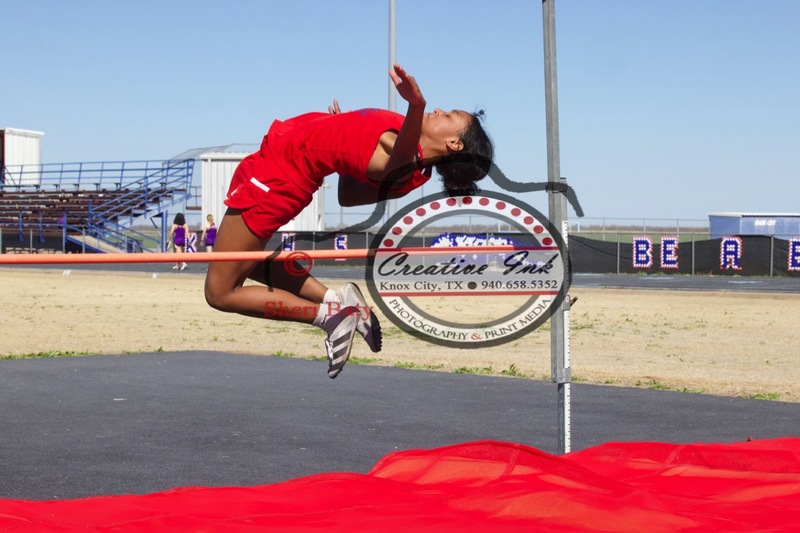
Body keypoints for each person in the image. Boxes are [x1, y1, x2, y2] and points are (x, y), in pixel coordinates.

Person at [204, 65, 494, 379]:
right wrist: (342, 138)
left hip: (275, 179)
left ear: (454, 144)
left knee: (221, 292)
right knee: (251, 262)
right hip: (278, 168)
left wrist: (416, 105)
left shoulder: (409, 162)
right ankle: (336, 300)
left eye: (449, 116)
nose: (439, 110)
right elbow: (348, 195)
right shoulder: (414, 166)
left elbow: (399, 158)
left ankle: (327, 317)